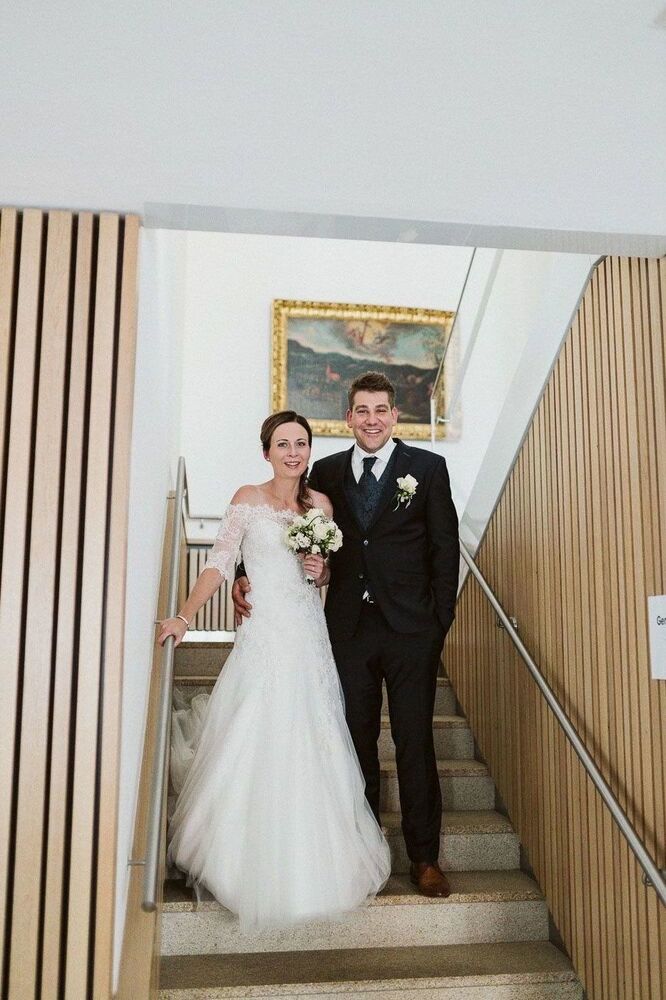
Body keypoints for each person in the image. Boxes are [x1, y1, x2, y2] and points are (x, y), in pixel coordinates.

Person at [158, 411, 390, 930]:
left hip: (308, 633)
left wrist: (321, 570)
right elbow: (220, 562)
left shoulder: (321, 505)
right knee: (257, 726)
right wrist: (185, 616)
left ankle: (318, 860)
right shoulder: (248, 498)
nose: (292, 452)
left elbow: (324, 574)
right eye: (282, 444)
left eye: (300, 443)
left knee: (313, 730)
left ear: (309, 451)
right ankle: (236, 859)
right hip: (265, 631)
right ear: (267, 452)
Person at [234, 372, 459, 897]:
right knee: (354, 741)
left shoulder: (427, 469)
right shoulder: (327, 473)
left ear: (394, 415)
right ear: (349, 417)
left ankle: (425, 857)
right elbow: (280, 522)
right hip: (347, 629)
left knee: (414, 740)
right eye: (362, 410)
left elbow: (444, 550)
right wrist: (244, 571)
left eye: (381, 410)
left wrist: (438, 624)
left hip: (411, 631)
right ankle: (364, 851)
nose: (371, 419)